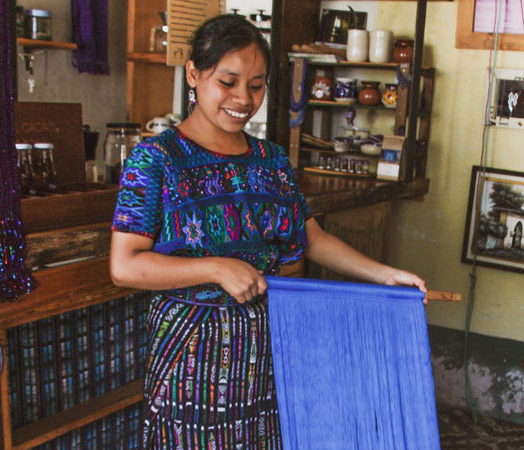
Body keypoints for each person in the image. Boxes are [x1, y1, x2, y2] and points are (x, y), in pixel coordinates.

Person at [110, 14, 427, 449]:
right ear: (194, 74)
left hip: (270, 349)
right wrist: (218, 269)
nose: (243, 98)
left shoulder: (271, 160)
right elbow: (124, 265)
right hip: (193, 357)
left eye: (256, 85)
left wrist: (384, 275)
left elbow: (311, 238)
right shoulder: (156, 160)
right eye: (228, 81)